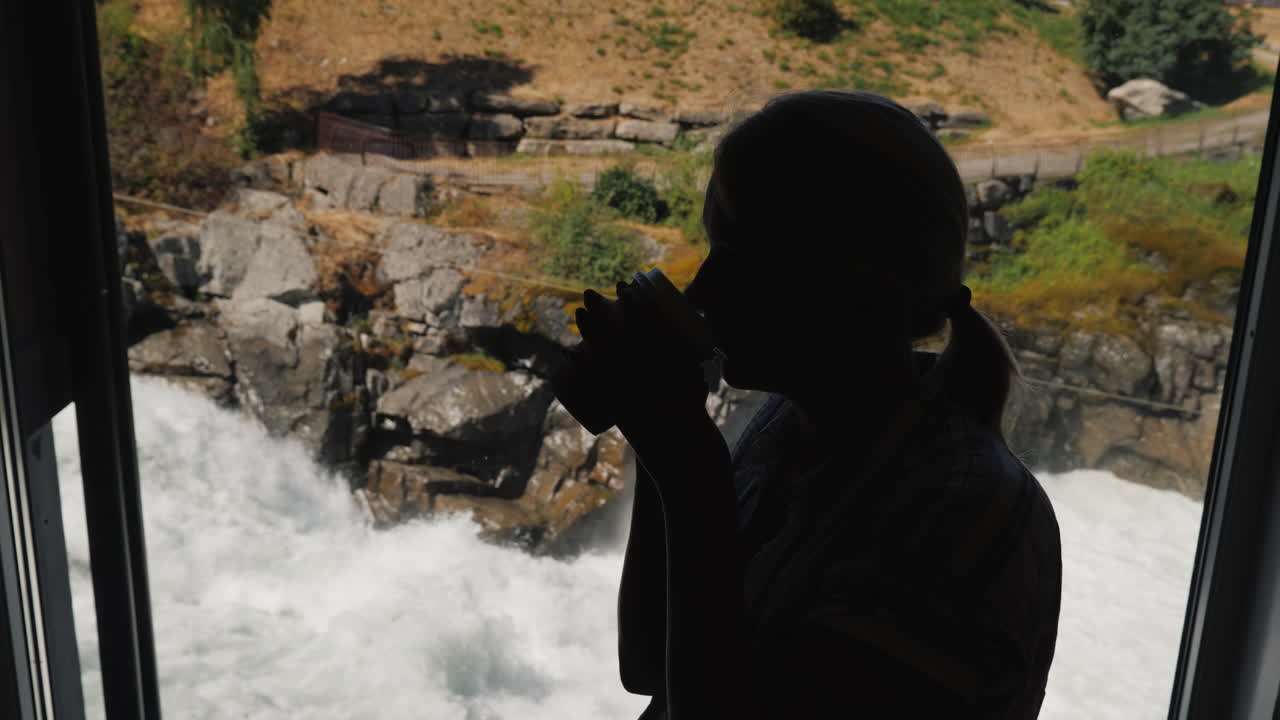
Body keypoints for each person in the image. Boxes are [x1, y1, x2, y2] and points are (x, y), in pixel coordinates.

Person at [572, 89, 1062, 719]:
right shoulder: (795, 428)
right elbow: (648, 665)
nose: (702, 287)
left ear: (856, 290)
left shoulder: (959, 512)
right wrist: (660, 438)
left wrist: (692, 470)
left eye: (741, 259)